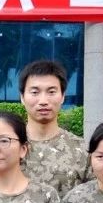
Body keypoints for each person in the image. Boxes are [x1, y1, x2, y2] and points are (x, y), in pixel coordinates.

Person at [18, 60, 90, 195]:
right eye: (35, 92)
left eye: (51, 92)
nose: (43, 101)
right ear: (22, 97)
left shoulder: (82, 150)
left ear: (62, 96)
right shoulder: (7, 148)